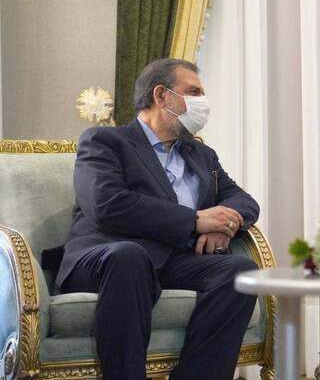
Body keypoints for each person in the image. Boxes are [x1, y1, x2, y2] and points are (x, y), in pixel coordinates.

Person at [56, 58, 260, 380]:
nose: (202, 103)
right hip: (107, 257)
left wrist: (225, 223)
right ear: (161, 95)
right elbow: (107, 205)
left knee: (240, 271)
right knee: (130, 256)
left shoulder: (200, 154)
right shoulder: (105, 141)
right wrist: (195, 221)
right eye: (193, 92)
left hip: (174, 259)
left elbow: (243, 201)